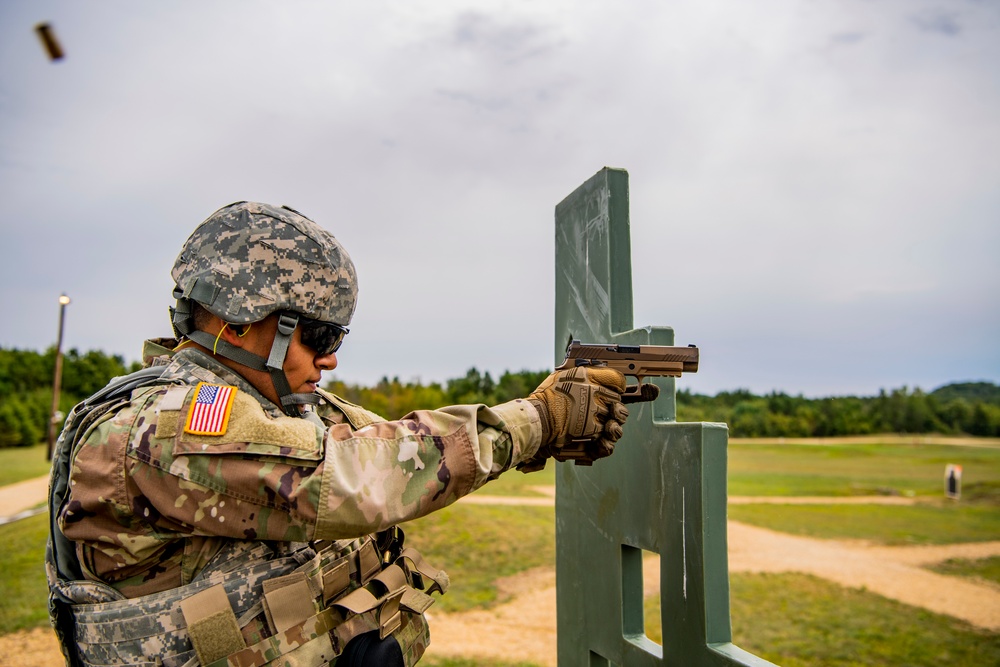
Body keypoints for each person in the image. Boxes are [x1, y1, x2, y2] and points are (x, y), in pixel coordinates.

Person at [46, 201, 649, 667]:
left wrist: (542, 424)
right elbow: (355, 478)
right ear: (237, 324)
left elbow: (390, 442)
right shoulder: (165, 426)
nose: (330, 360)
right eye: (318, 336)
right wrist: (538, 419)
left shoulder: (274, 408)